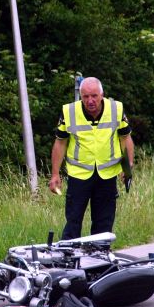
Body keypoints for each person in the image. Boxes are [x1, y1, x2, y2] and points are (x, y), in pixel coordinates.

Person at [49, 77, 134, 240]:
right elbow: (60, 144)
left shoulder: (116, 109)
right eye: (85, 97)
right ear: (80, 96)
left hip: (107, 174)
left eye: (94, 96)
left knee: (104, 224)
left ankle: (100, 259)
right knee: (73, 221)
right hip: (79, 174)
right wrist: (55, 174)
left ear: (102, 95)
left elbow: (125, 139)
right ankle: (70, 259)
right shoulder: (69, 112)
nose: (90, 101)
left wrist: (127, 167)